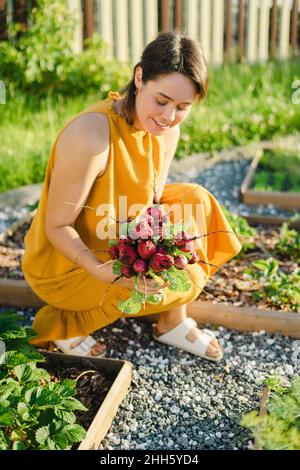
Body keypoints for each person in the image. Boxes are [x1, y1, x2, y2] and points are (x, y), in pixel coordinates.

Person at [21, 31, 241, 361]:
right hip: (69, 262)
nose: (169, 117)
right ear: (139, 77)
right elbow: (57, 228)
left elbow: (152, 204)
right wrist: (99, 270)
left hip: (116, 230)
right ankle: (64, 322)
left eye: (183, 107)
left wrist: (170, 242)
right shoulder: (91, 136)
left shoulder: (167, 131)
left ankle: (172, 321)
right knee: (155, 279)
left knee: (194, 200)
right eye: (162, 101)